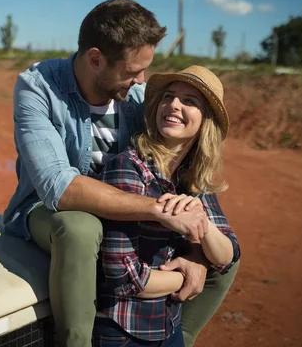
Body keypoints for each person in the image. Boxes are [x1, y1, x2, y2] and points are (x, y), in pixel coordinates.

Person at [3, 0, 240, 347]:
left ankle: (179, 338)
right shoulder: (38, 87)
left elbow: (174, 158)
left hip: (126, 212)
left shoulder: (136, 95)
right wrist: (161, 211)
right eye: (133, 71)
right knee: (81, 229)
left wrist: (195, 252)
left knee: (224, 252)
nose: (142, 80)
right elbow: (59, 187)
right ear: (95, 59)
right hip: (49, 209)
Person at [92, 65, 240, 346]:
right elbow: (123, 275)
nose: (173, 105)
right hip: (122, 332)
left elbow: (229, 253)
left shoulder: (193, 178)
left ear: (204, 120)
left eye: (189, 101)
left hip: (168, 326)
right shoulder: (128, 168)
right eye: (168, 96)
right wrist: (191, 272)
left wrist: (203, 223)